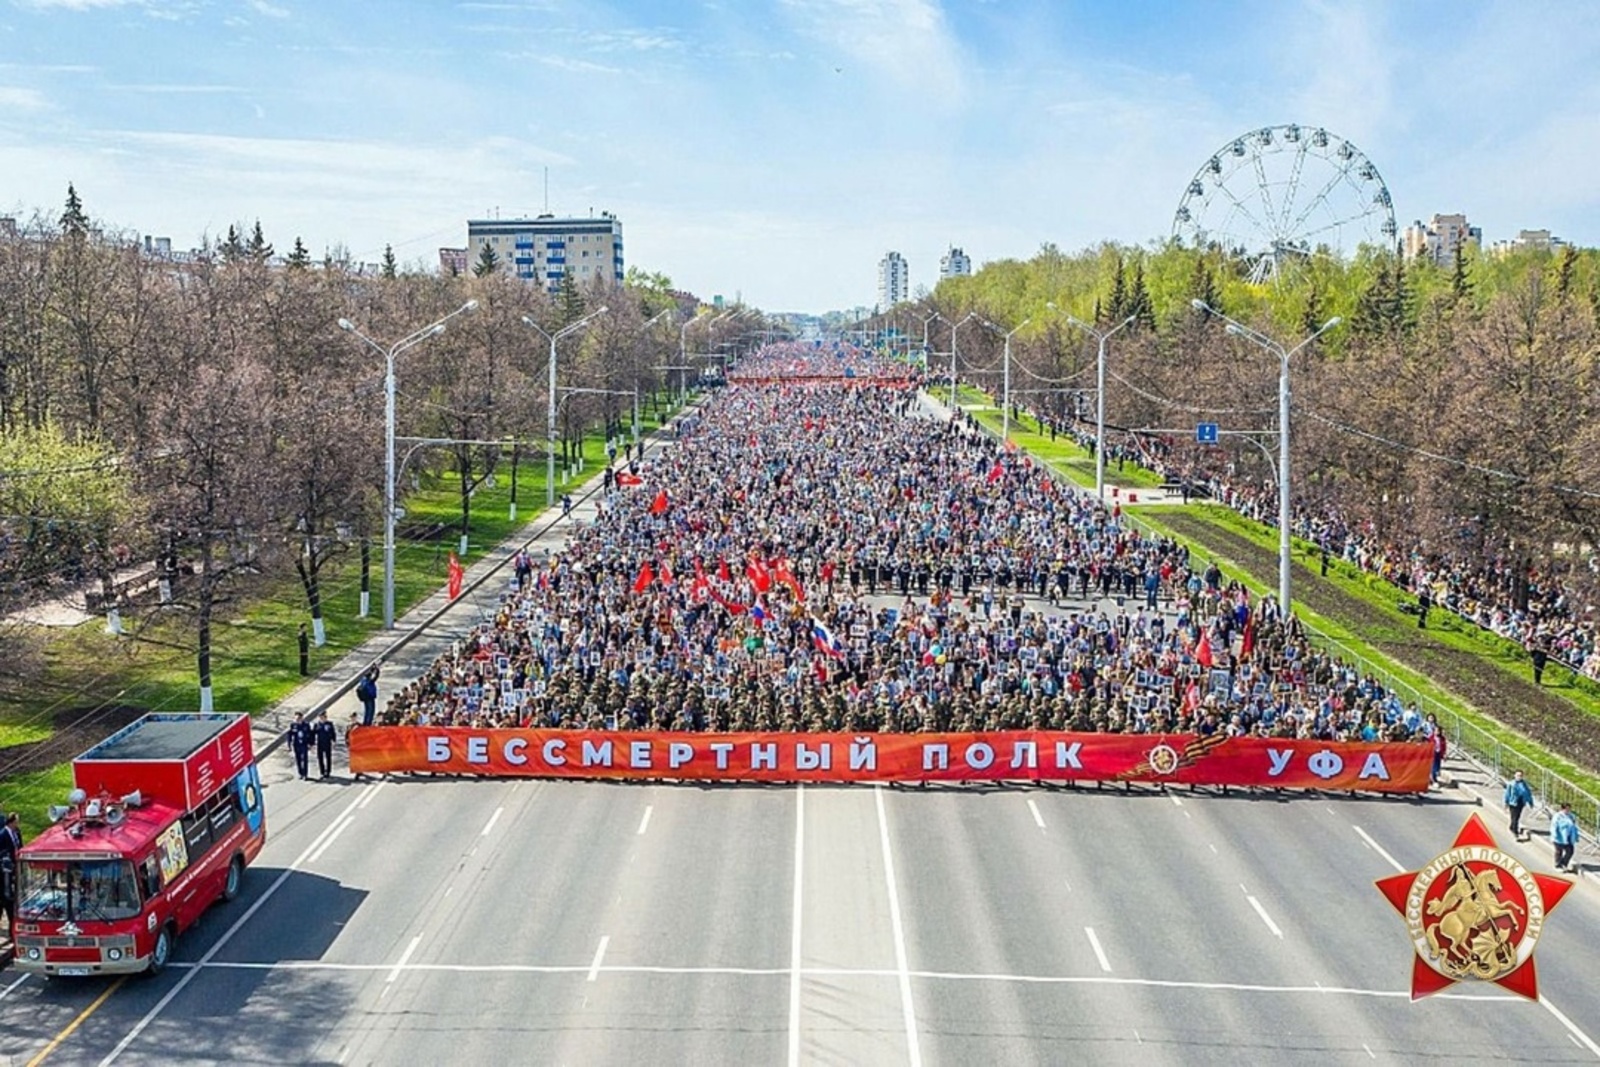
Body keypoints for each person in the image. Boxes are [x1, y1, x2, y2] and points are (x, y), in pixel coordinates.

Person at [0, 812, 20, 933]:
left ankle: (11, 928)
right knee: (7, 901)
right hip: (5, 873)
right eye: (17, 821)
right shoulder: (2, 835)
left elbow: (19, 846)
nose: (18, 823)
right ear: (12, 821)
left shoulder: (17, 833)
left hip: (15, 870)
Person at [1504, 770, 1533, 840]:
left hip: (1521, 802)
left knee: (1517, 816)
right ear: (1515, 776)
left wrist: (1530, 802)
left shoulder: (1524, 784)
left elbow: (1528, 793)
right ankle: (1515, 832)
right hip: (1513, 803)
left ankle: (1511, 827)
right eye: (1518, 775)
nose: (1519, 777)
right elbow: (1507, 794)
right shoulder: (1511, 784)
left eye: (1521, 776)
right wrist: (1506, 802)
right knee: (1514, 817)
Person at [1551, 803, 1579, 873]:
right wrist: (1554, 834)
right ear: (1562, 809)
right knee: (1559, 851)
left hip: (1569, 837)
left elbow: (1574, 827)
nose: (1568, 810)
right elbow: (1554, 826)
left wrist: (1576, 836)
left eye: (1569, 809)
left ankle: (1564, 863)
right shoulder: (1558, 816)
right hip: (1559, 837)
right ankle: (1557, 865)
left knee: (1570, 851)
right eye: (1566, 809)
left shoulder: (1571, 816)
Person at [288, 712, 312, 780]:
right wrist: (289, 745)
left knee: (304, 759)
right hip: (296, 744)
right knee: (298, 759)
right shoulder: (293, 725)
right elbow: (290, 735)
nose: (297, 720)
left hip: (304, 744)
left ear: (302, 718)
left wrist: (310, 743)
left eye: (298, 718)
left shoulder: (306, 725)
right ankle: (300, 773)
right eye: (296, 719)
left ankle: (305, 774)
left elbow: (310, 734)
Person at [313, 714, 337, 779]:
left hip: (327, 743)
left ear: (325, 717)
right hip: (320, 743)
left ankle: (328, 771)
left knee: (328, 758)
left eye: (323, 717)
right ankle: (322, 772)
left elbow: (333, 733)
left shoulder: (329, 724)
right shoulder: (317, 725)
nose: (322, 718)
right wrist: (312, 743)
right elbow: (313, 734)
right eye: (321, 717)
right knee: (320, 758)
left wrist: (334, 741)